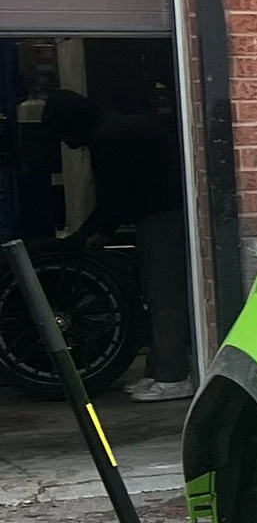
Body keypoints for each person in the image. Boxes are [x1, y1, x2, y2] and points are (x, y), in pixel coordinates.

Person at [40, 90, 193, 400]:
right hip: (160, 213)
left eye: (64, 134)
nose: (66, 143)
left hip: (163, 215)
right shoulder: (118, 128)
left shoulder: (109, 138)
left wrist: (90, 234)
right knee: (157, 293)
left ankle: (174, 375)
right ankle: (158, 371)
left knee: (165, 296)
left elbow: (114, 195)